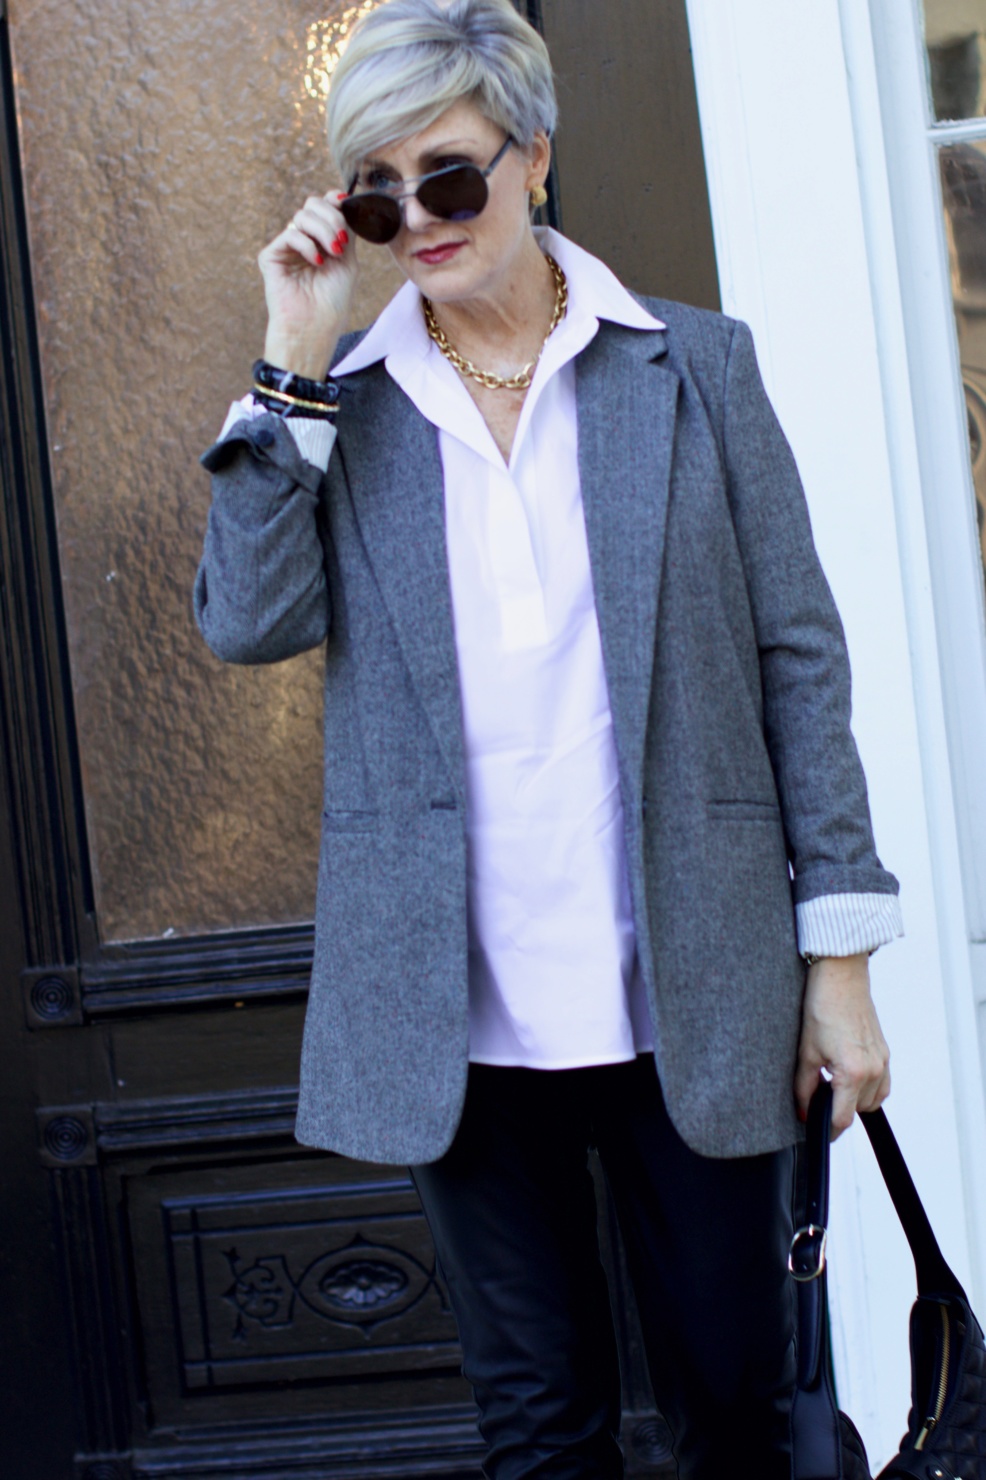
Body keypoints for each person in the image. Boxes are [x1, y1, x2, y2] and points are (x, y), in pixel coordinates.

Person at [194, 1, 903, 1474]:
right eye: (377, 193)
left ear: (534, 157)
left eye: (447, 175)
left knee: (737, 1408)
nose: (418, 219)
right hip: (463, 1015)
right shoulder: (345, 404)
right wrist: (289, 355)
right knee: (537, 1425)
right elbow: (246, 623)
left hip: (692, 990)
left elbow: (796, 660)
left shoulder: (694, 369)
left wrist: (835, 969)